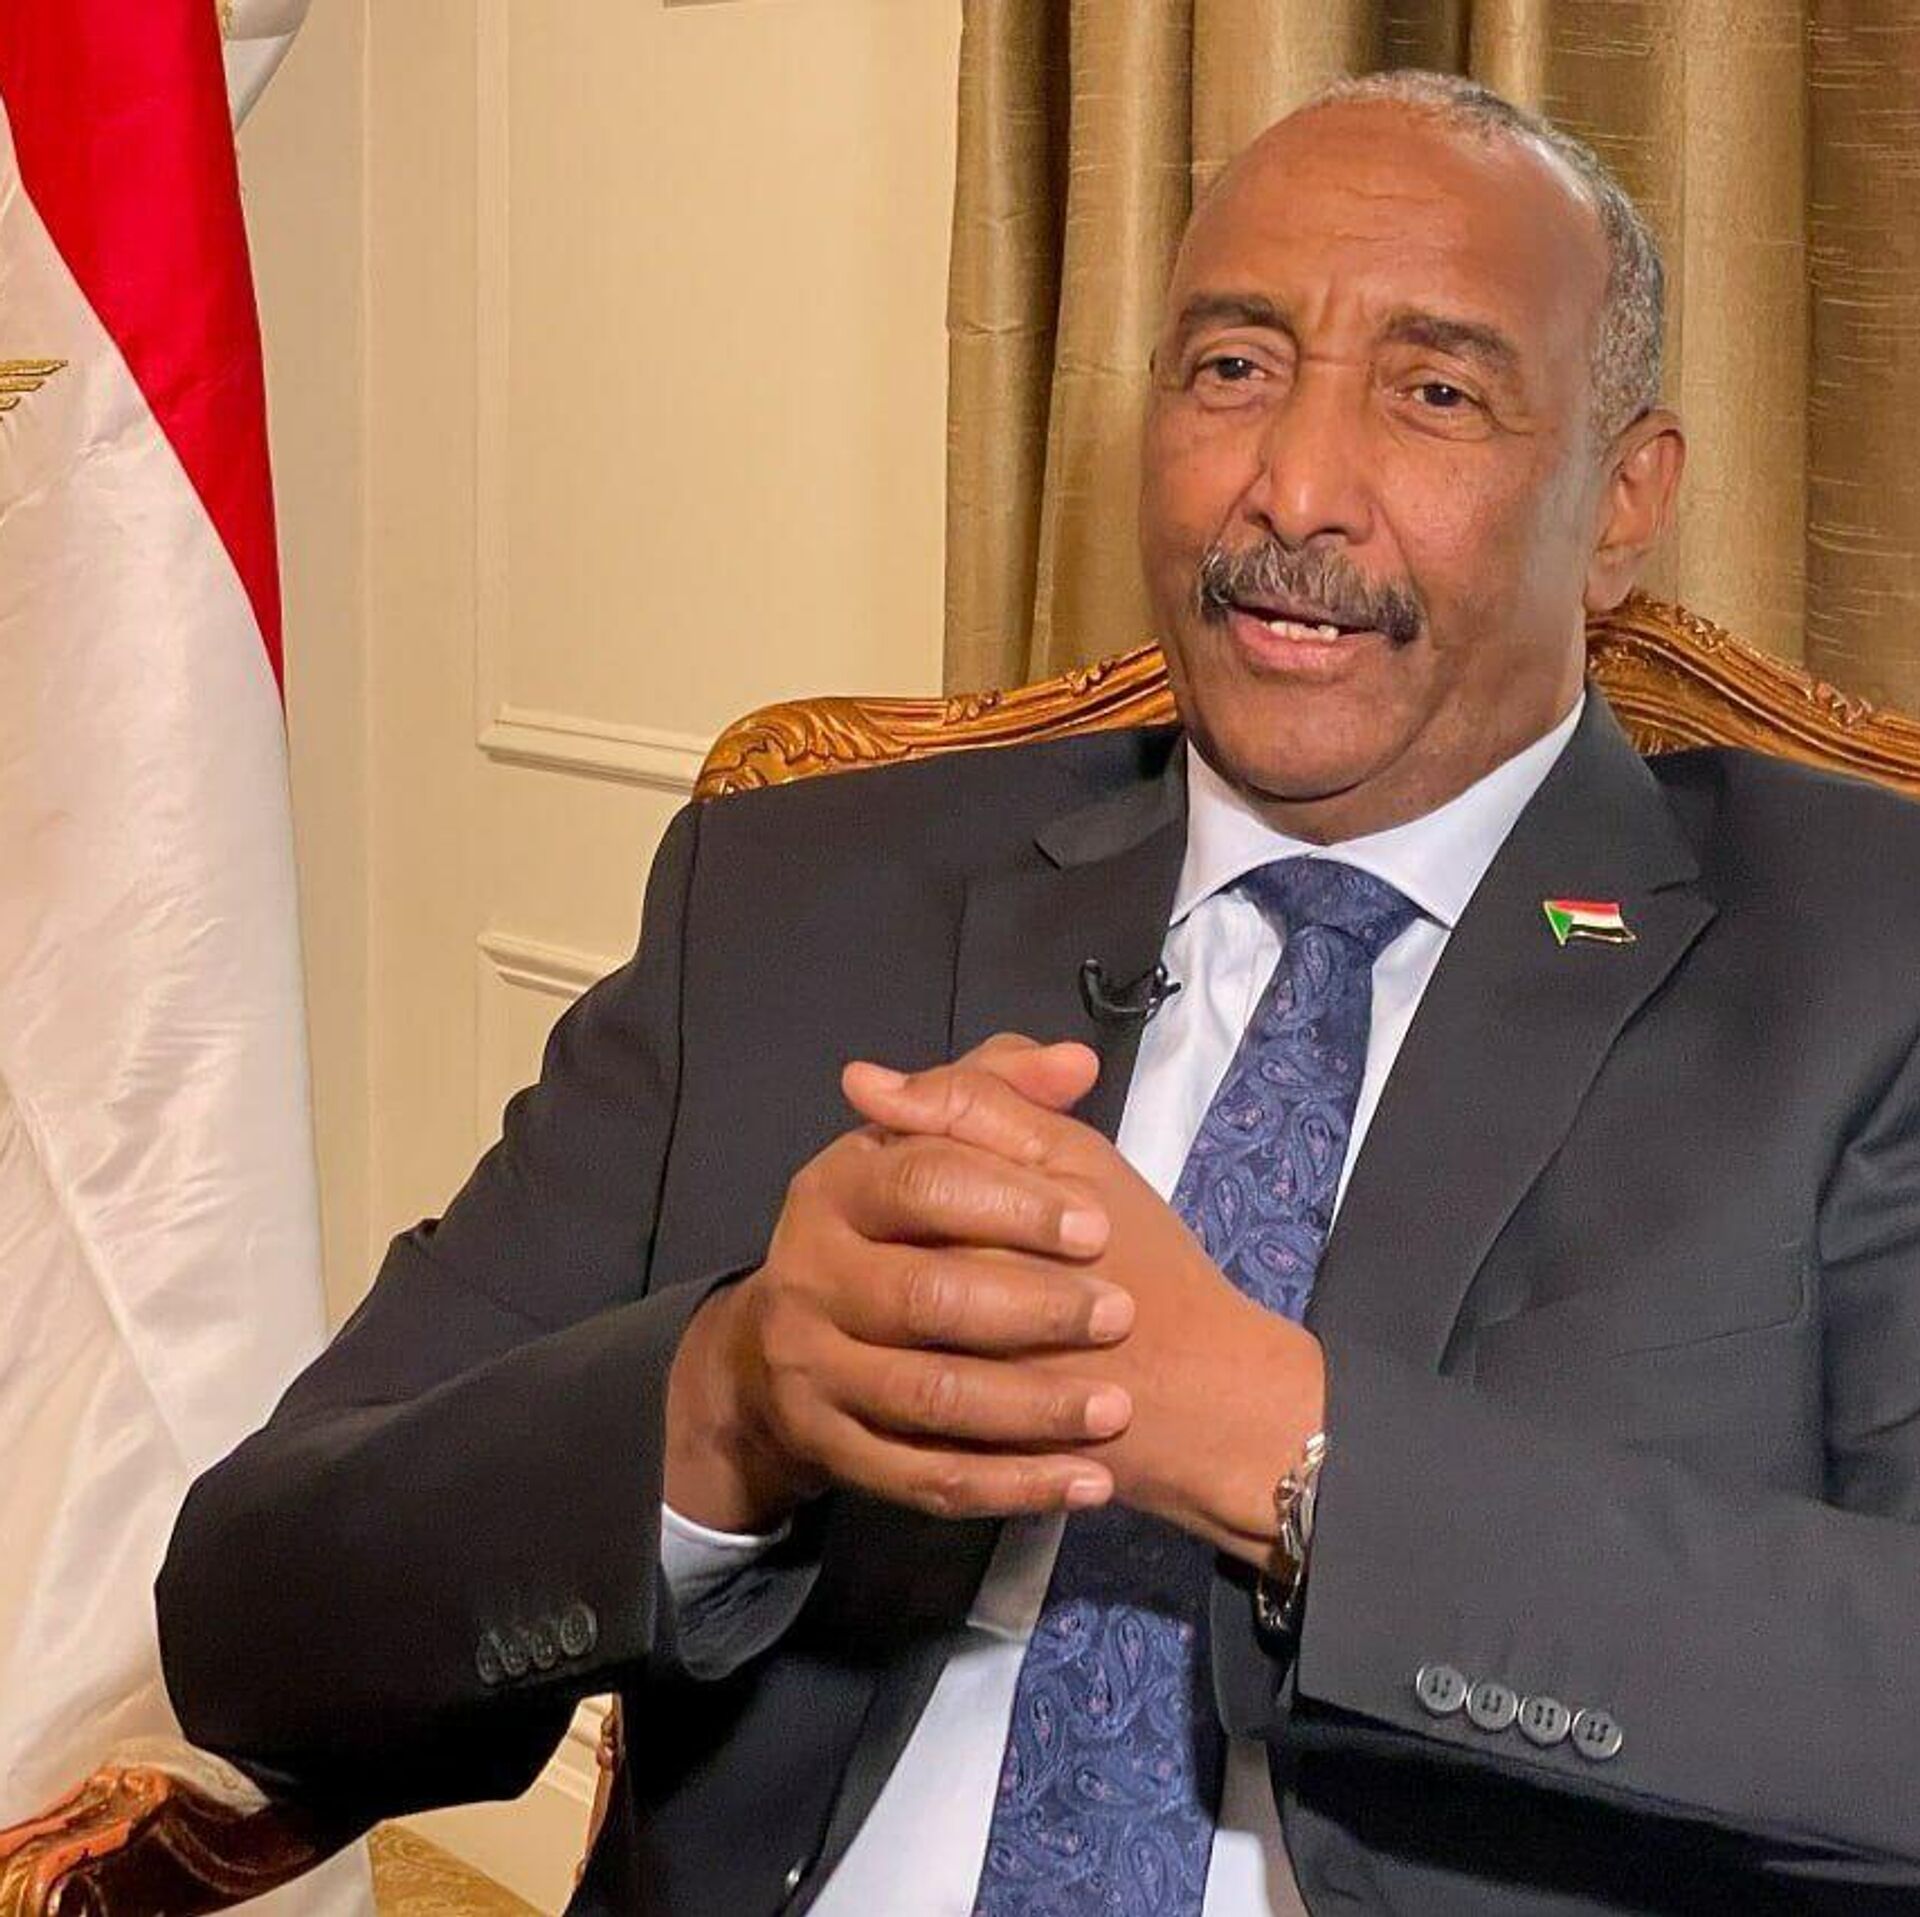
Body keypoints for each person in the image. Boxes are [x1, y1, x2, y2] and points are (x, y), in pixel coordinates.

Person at [157, 71, 1920, 1915]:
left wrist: (1291, 1449)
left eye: (1436, 395)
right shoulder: (796, 900)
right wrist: (727, 1404)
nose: (1293, 489)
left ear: (1625, 500)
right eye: (1233, 366)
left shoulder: (1857, 960)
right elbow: (252, 1614)